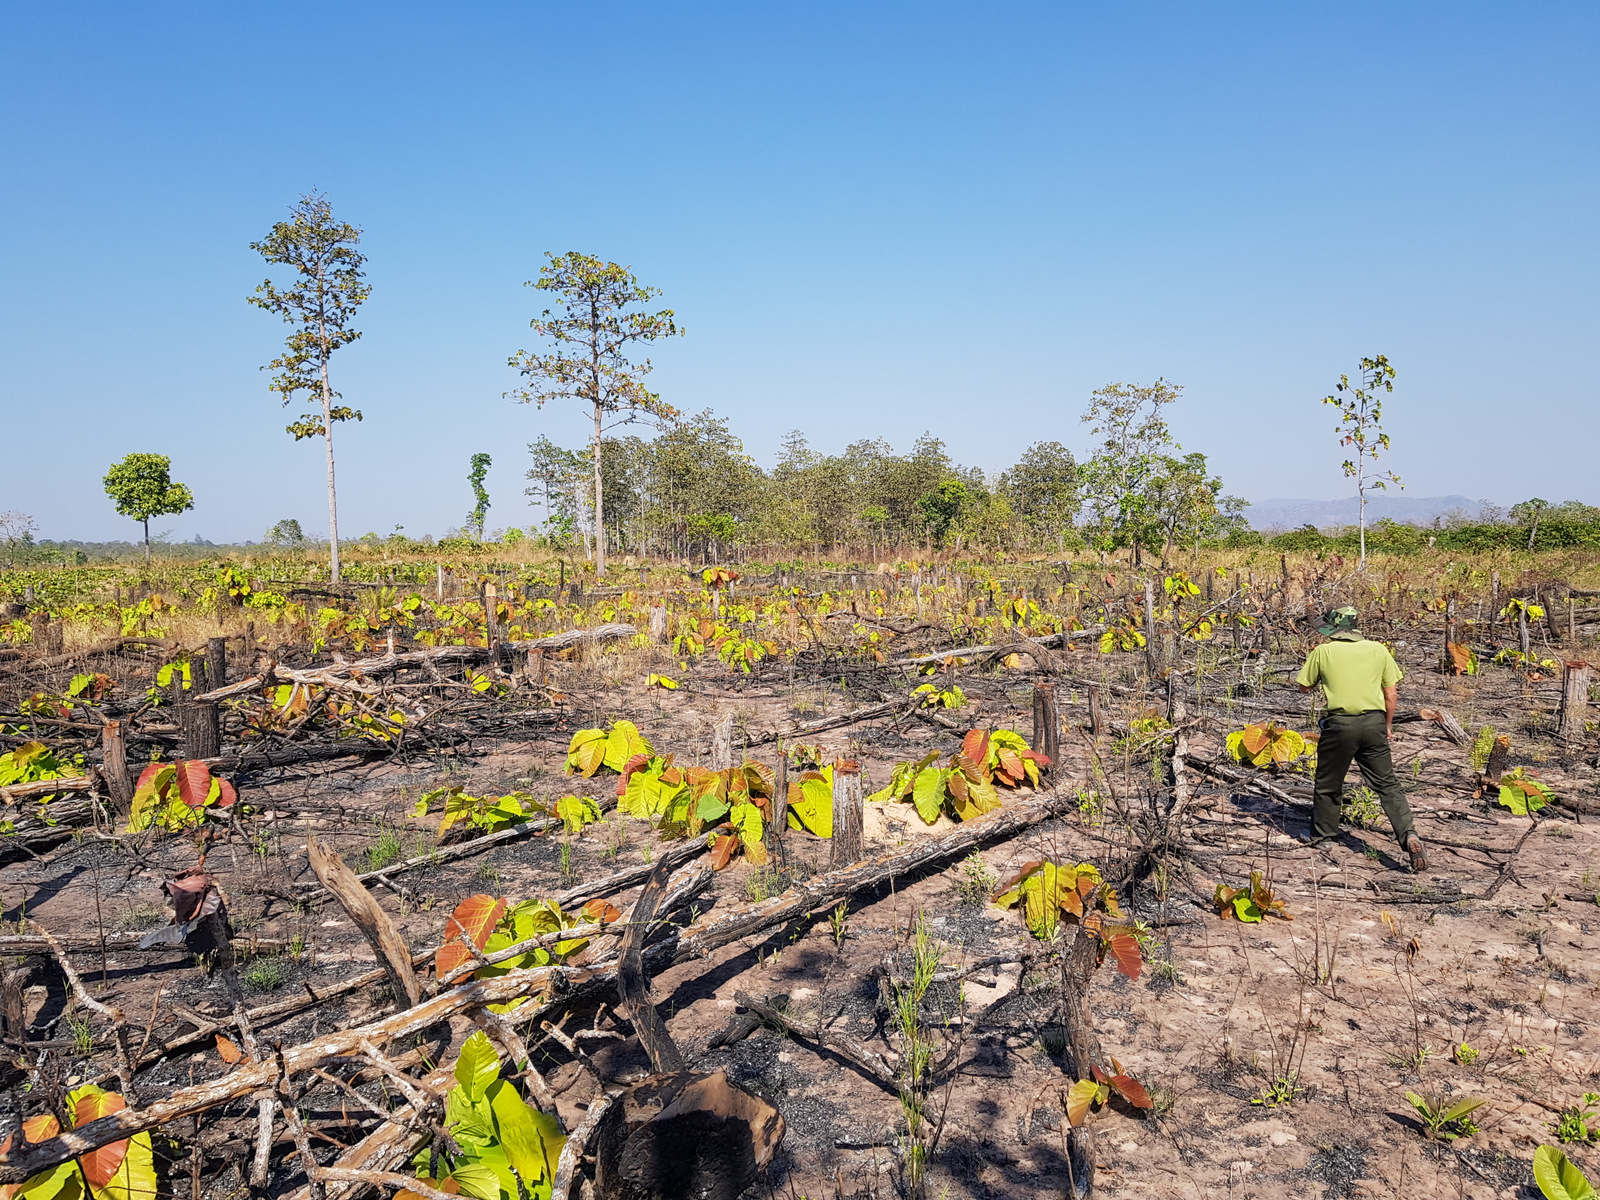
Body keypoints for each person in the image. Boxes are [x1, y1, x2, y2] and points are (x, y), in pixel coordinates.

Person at [1296, 605, 1427, 872]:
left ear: (1332, 628)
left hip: (1340, 725)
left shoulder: (1323, 651)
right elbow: (1391, 694)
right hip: (1374, 723)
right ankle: (1409, 835)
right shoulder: (1378, 649)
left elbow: (1303, 686)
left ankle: (1323, 837)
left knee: (1328, 783)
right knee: (1387, 784)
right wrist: (1387, 725)